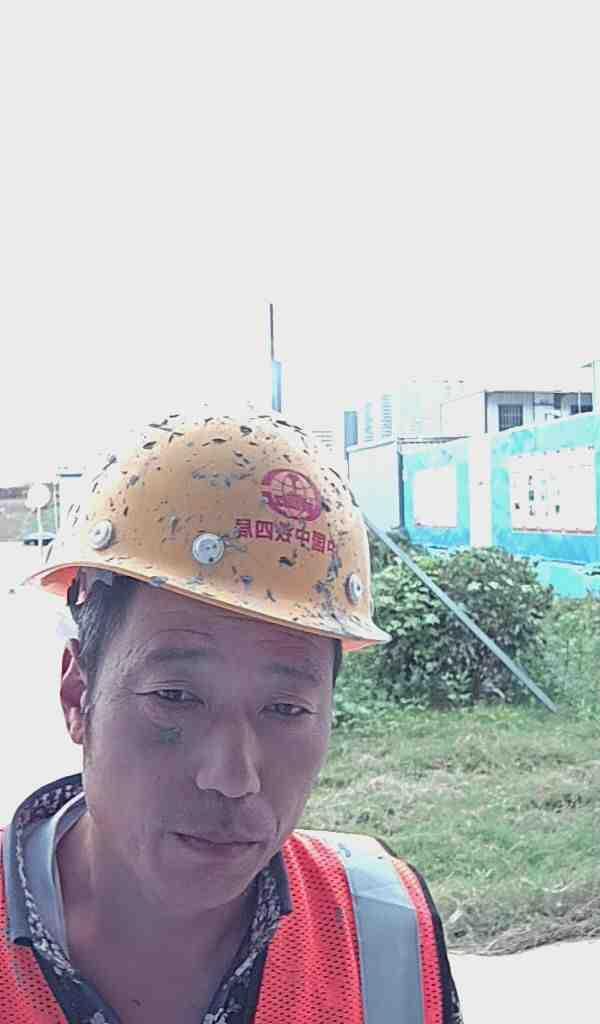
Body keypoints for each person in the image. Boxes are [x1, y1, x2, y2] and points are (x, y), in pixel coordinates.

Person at [0, 407, 463, 1023]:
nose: (232, 777)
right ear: (77, 694)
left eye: (285, 708)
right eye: (176, 697)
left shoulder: (381, 936)